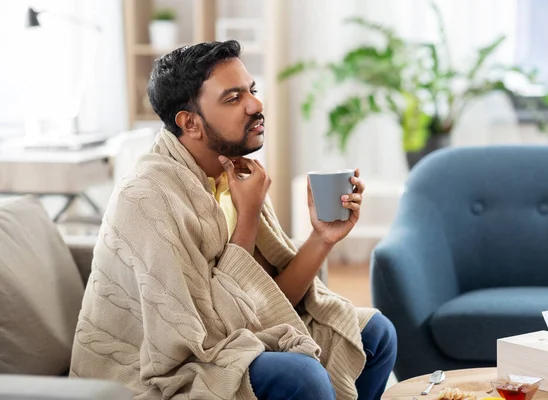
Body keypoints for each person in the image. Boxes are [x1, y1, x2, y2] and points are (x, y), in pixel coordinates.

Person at [69, 40, 397, 400]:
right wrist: (248, 217)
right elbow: (208, 336)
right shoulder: (148, 199)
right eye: (233, 98)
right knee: (300, 375)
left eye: (252, 91)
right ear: (190, 123)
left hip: (231, 336)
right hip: (164, 368)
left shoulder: (231, 176)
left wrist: (323, 238)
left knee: (375, 334)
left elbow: (267, 302)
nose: (256, 105)